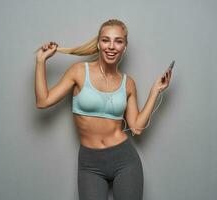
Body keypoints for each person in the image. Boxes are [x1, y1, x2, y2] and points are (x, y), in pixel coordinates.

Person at [34, 19, 172, 200]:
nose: (111, 46)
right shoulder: (79, 71)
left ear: (125, 47)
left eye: (118, 41)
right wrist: (40, 62)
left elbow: (136, 127)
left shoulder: (128, 83)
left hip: (125, 160)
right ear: (98, 43)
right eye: (106, 40)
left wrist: (155, 91)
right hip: (90, 164)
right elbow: (43, 101)